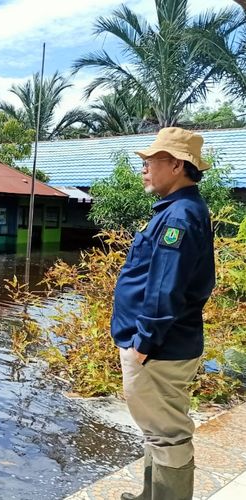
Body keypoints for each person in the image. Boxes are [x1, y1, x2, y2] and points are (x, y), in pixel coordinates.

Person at [111, 127, 216, 500]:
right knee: (156, 429)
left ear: (175, 165)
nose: (143, 168)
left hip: (159, 348)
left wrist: (144, 343)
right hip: (160, 345)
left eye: (149, 161)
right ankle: (148, 496)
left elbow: (164, 287)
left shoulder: (179, 217)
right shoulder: (178, 210)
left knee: (167, 435)